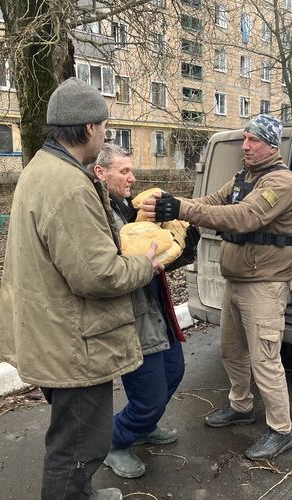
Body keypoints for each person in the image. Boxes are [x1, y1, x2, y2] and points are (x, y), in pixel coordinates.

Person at [0, 77, 163, 500]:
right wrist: (144, 264)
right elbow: (99, 275)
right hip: (74, 343)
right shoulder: (69, 186)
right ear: (89, 128)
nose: (105, 135)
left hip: (55, 332)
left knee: (75, 437)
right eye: (105, 127)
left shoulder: (43, 167)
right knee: (78, 447)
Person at [140, 114, 292, 460]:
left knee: (265, 360)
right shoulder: (244, 177)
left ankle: (280, 429)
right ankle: (240, 406)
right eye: (244, 139)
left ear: (272, 146)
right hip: (237, 281)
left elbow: (244, 217)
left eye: (254, 140)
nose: (246, 146)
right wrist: (175, 205)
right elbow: (213, 203)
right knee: (231, 351)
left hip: (265, 285)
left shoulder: (282, 183)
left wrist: (183, 208)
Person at [90, 144, 199, 478]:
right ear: (100, 172)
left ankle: (143, 425)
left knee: (174, 371)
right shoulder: (96, 212)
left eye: (131, 170)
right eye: (124, 171)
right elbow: (113, 263)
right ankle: (115, 442)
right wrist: (138, 229)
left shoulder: (126, 204)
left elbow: (155, 261)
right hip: (130, 317)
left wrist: (183, 243)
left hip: (155, 307)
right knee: (148, 394)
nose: (132, 178)